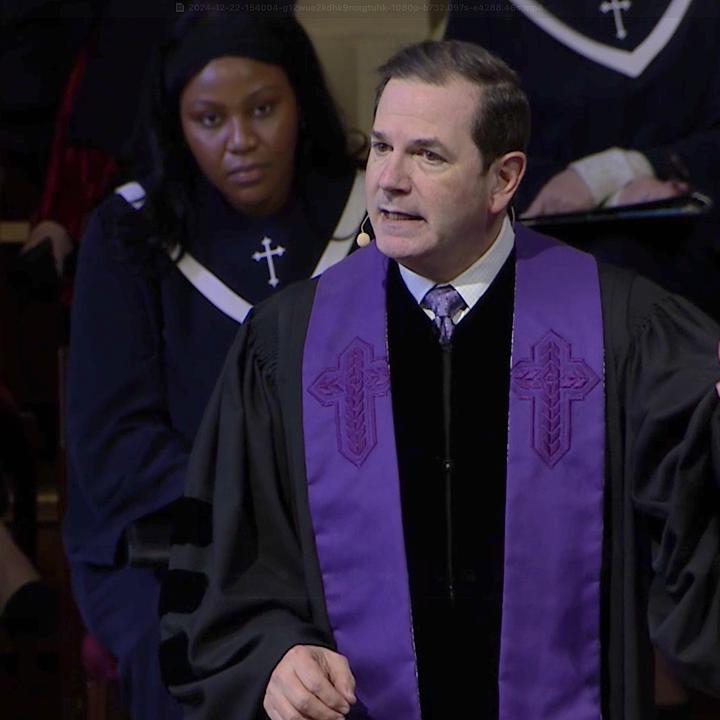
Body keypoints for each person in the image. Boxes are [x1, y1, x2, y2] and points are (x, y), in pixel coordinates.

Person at [159, 40, 720, 720]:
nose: (388, 180)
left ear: (503, 179)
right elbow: (227, 567)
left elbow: (699, 529)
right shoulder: (289, 343)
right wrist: (271, 654)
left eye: (427, 154)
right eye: (381, 148)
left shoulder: (624, 331)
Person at [63, 10, 364, 719]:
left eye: (264, 109)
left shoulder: (366, 215)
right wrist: (258, 497)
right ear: (177, 123)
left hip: (342, 533)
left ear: (302, 101)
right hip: (178, 543)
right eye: (209, 119)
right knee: (189, 656)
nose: (241, 143)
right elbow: (115, 447)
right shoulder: (130, 233)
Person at [444, 0, 720, 320]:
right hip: (554, 271)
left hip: (699, 265)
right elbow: (467, 146)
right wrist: (608, 194)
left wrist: (626, 170)